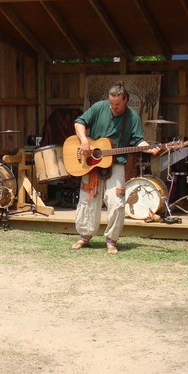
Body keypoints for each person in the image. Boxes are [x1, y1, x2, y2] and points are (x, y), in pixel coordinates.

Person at [70, 81, 157, 254]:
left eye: (117, 104)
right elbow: (79, 122)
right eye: (111, 103)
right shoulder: (99, 107)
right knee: (88, 200)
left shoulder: (132, 117)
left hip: (116, 163)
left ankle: (111, 240)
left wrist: (149, 148)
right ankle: (84, 236)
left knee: (116, 202)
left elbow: (138, 140)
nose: (114, 107)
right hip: (92, 163)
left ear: (126, 100)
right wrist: (84, 141)